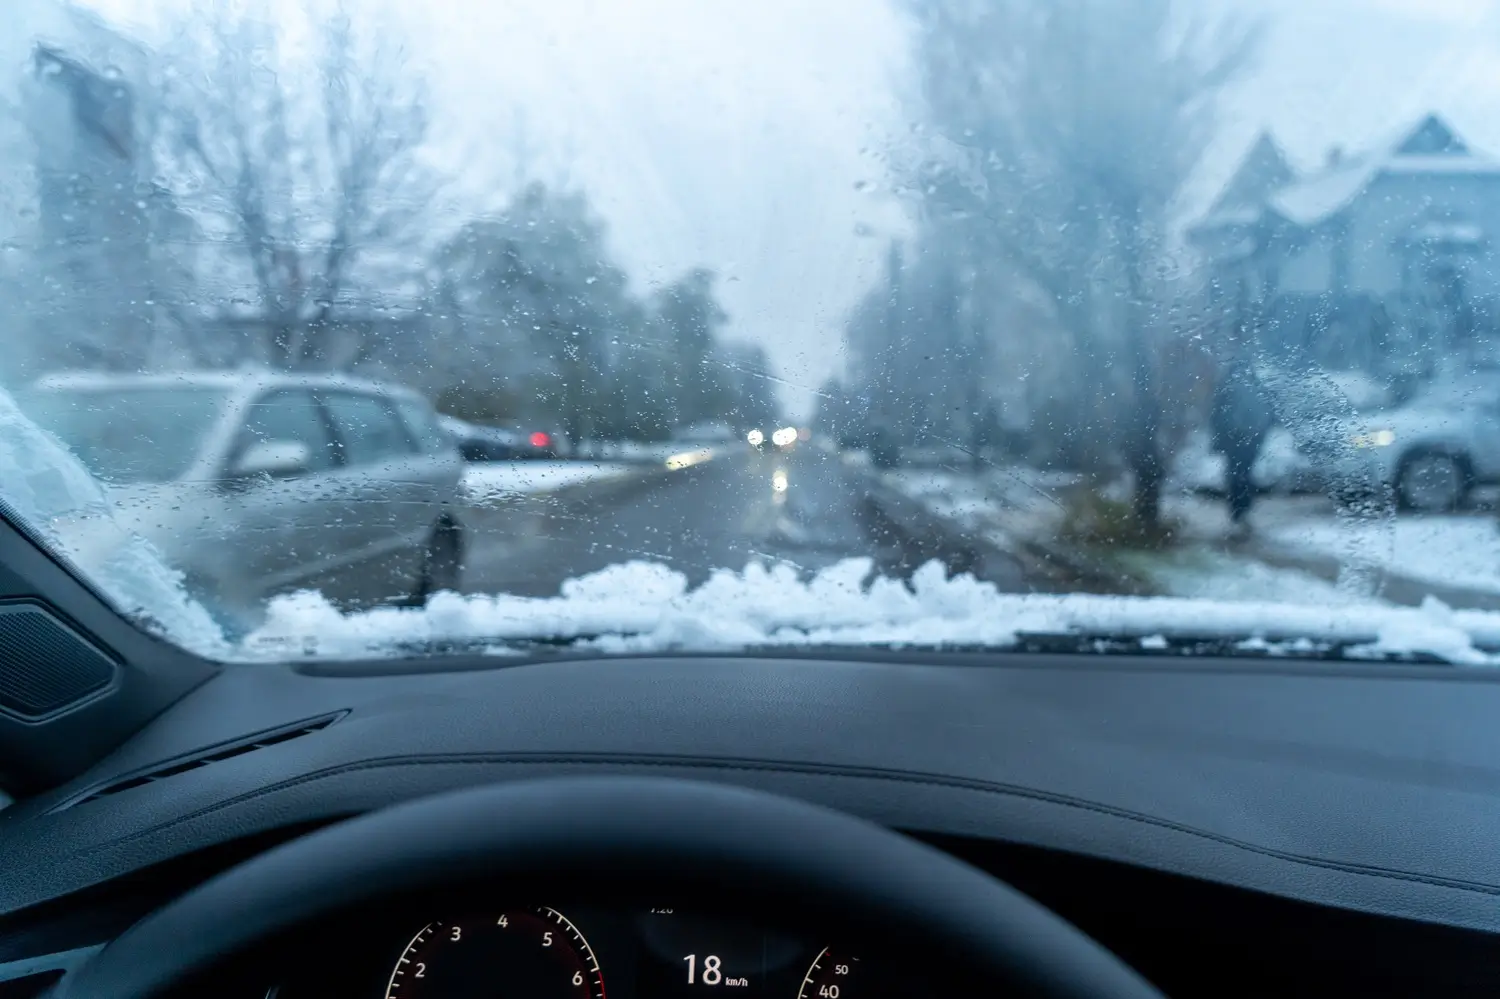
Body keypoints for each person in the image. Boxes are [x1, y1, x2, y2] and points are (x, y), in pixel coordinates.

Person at [1209, 358, 1276, 534]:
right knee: (1246, 473)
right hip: (1252, 439)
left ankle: (1237, 513)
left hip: (1233, 439)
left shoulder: (1227, 387)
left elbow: (1217, 415)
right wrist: (1261, 435)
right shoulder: (1257, 386)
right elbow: (1270, 413)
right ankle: (1244, 510)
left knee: (1234, 474)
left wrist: (1218, 439)